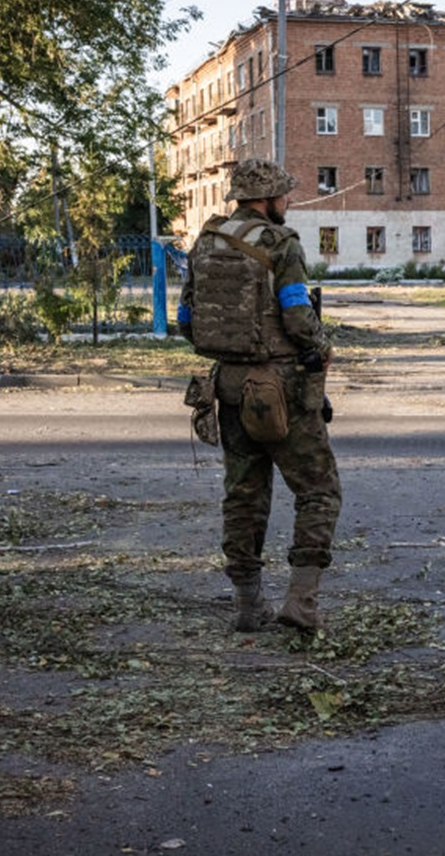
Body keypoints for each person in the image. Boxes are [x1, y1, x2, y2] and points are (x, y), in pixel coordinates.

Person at [177, 159, 340, 633]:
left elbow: (187, 320)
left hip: (227, 387)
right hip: (282, 390)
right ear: (267, 199)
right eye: (284, 195)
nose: (288, 201)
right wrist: (320, 346)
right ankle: (302, 603)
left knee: (243, 497)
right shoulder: (280, 244)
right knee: (319, 490)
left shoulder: (205, 243)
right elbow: (295, 314)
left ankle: (248, 605)